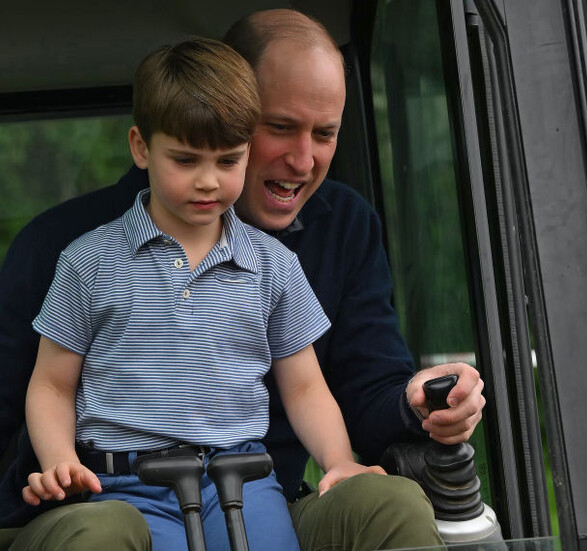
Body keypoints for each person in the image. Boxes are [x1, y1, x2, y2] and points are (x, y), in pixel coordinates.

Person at [0, 8, 486, 551]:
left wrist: (417, 406)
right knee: (105, 532)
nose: (302, 159)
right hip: (98, 503)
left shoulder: (334, 231)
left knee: (392, 506)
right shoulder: (73, 247)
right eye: (282, 127)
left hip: (250, 494)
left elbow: (345, 390)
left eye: (325, 134)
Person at [20, 37, 383, 551]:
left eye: (229, 161)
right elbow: (53, 385)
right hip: (128, 486)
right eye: (186, 160)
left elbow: (304, 388)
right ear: (141, 147)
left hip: (245, 479)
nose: (209, 181)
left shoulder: (273, 265)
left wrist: (339, 459)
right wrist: (60, 460)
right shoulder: (88, 260)